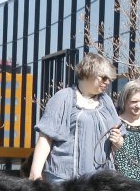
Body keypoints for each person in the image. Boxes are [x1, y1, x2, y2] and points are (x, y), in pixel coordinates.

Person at [28, 53, 123, 182]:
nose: (107, 82)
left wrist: (118, 141)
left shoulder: (107, 102)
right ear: (88, 72)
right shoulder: (63, 98)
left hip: (100, 181)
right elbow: (45, 138)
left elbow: (119, 141)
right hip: (65, 180)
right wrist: (35, 173)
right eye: (104, 78)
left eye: (110, 79)